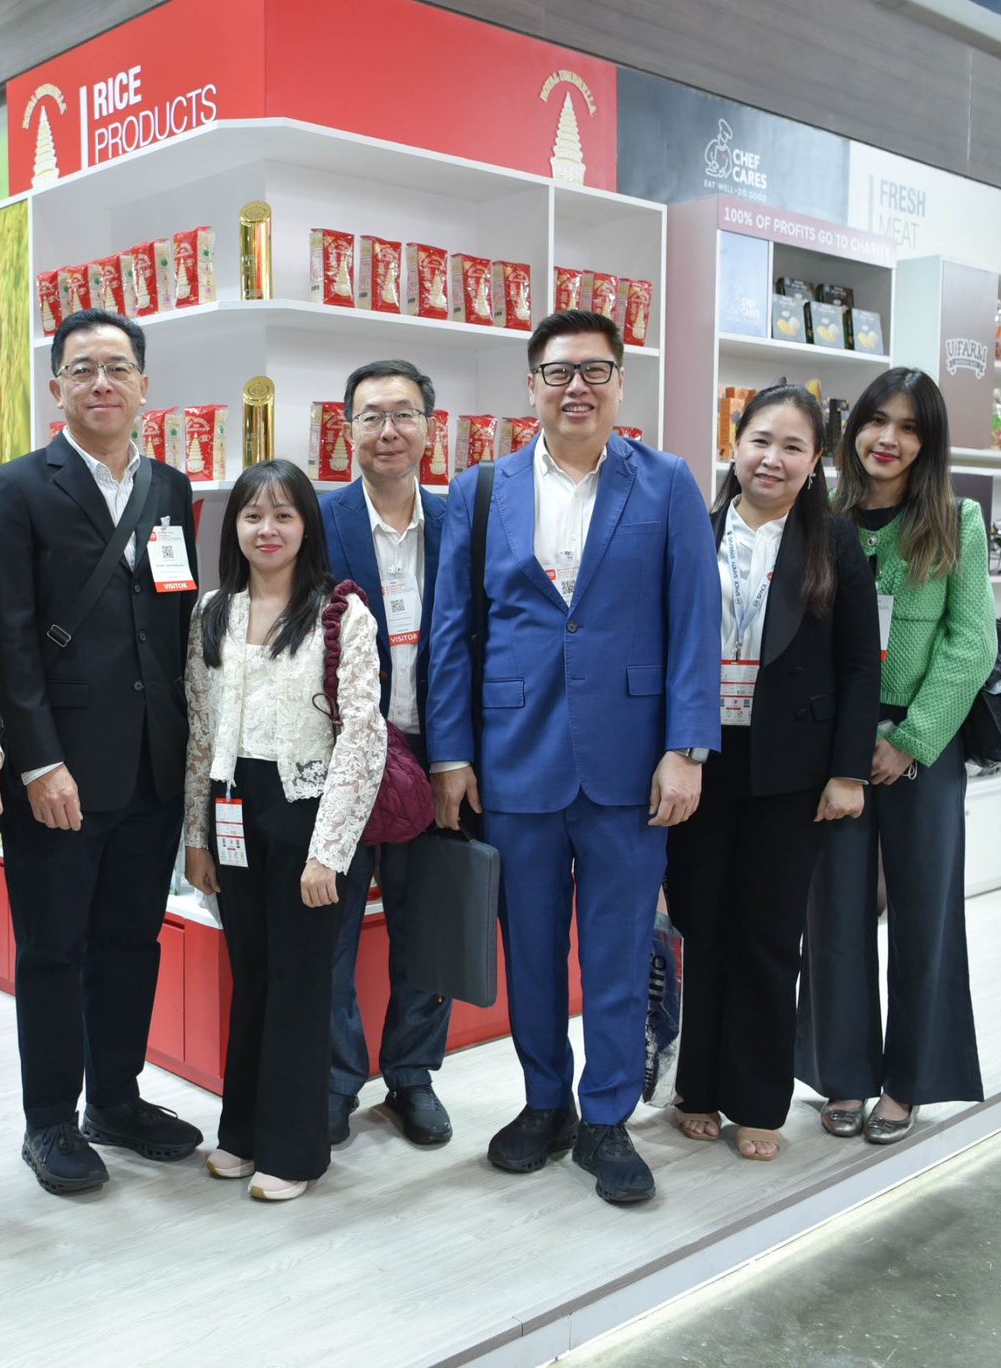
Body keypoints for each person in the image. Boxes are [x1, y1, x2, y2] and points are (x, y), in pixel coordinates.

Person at [425, 309, 720, 1206]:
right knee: (532, 948)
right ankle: (544, 1102)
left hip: (633, 763)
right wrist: (451, 754)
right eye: (558, 372)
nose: (576, 387)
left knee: (621, 950)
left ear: (621, 384)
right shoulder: (484, 490)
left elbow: (694, 622)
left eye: (594, 370)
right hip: (515, 757)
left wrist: (687, 748)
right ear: (532, 388)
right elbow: (452, 632)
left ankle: (607, 1117)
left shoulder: (667, 483)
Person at [0, 307, 205, 1195]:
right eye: (82, 368)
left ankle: (116, 1098)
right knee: (52, 950)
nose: (101, 382)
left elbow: (174, 618)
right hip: (60, 769)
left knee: (132, 941)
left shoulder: (170, 487)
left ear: (144, 385)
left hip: (152, 762)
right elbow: (9, 636)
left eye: (117, 367)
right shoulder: (16, 489)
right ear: (56, 387)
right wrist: (37, 761)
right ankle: (49, 1120)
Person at [660, 386, 879, 1161]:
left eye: (793, 446)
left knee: (769, 934)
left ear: (815, 462)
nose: (772, 459)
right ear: (735, 444)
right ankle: (697, 1089)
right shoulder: (696, 528)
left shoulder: (835, 543)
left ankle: (757, 1101)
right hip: (702, 759)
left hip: (791, 768)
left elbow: (860, 666)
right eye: (760, 440)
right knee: (702, 924)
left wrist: (848, 772)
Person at [797, 367, 995, 1145]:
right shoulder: (823, 515)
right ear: (854, 429)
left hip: (925, 745)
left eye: (909, 427)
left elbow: (970, 644)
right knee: (835, 912)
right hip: (837, 745)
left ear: (928, 441)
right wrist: (847, 745)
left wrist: (910, 740)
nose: (889, 439)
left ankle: (908, 1083)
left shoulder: (956, 520)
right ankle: (843, 1073)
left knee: (925, 912)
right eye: (878, 420)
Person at [182, 460, 387, 1201]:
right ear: (233, 526)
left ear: (307, 526)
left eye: (283, 515)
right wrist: (197, 836)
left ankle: (293, 1152)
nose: (266, 530)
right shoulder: (213, 610)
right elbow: (200, 731)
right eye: (252, 515)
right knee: (253, 975)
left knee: (301, 984)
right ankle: (241, 1132)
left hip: (308, 810)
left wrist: (328, 851)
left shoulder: (341, 613)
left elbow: (363, 738)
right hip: (232, 807)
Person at [317, 359, 453, 1148]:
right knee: (332, 931)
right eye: (371, 417)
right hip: (344, 757)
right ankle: (337, 1081)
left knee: (427, 925)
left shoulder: (463, 522)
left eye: (404, 414)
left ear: (430, 429)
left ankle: (412, 1077)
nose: (388, 431)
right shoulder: (319, 518)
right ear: (348, 432)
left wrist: (461, 757)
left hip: (438, 756)